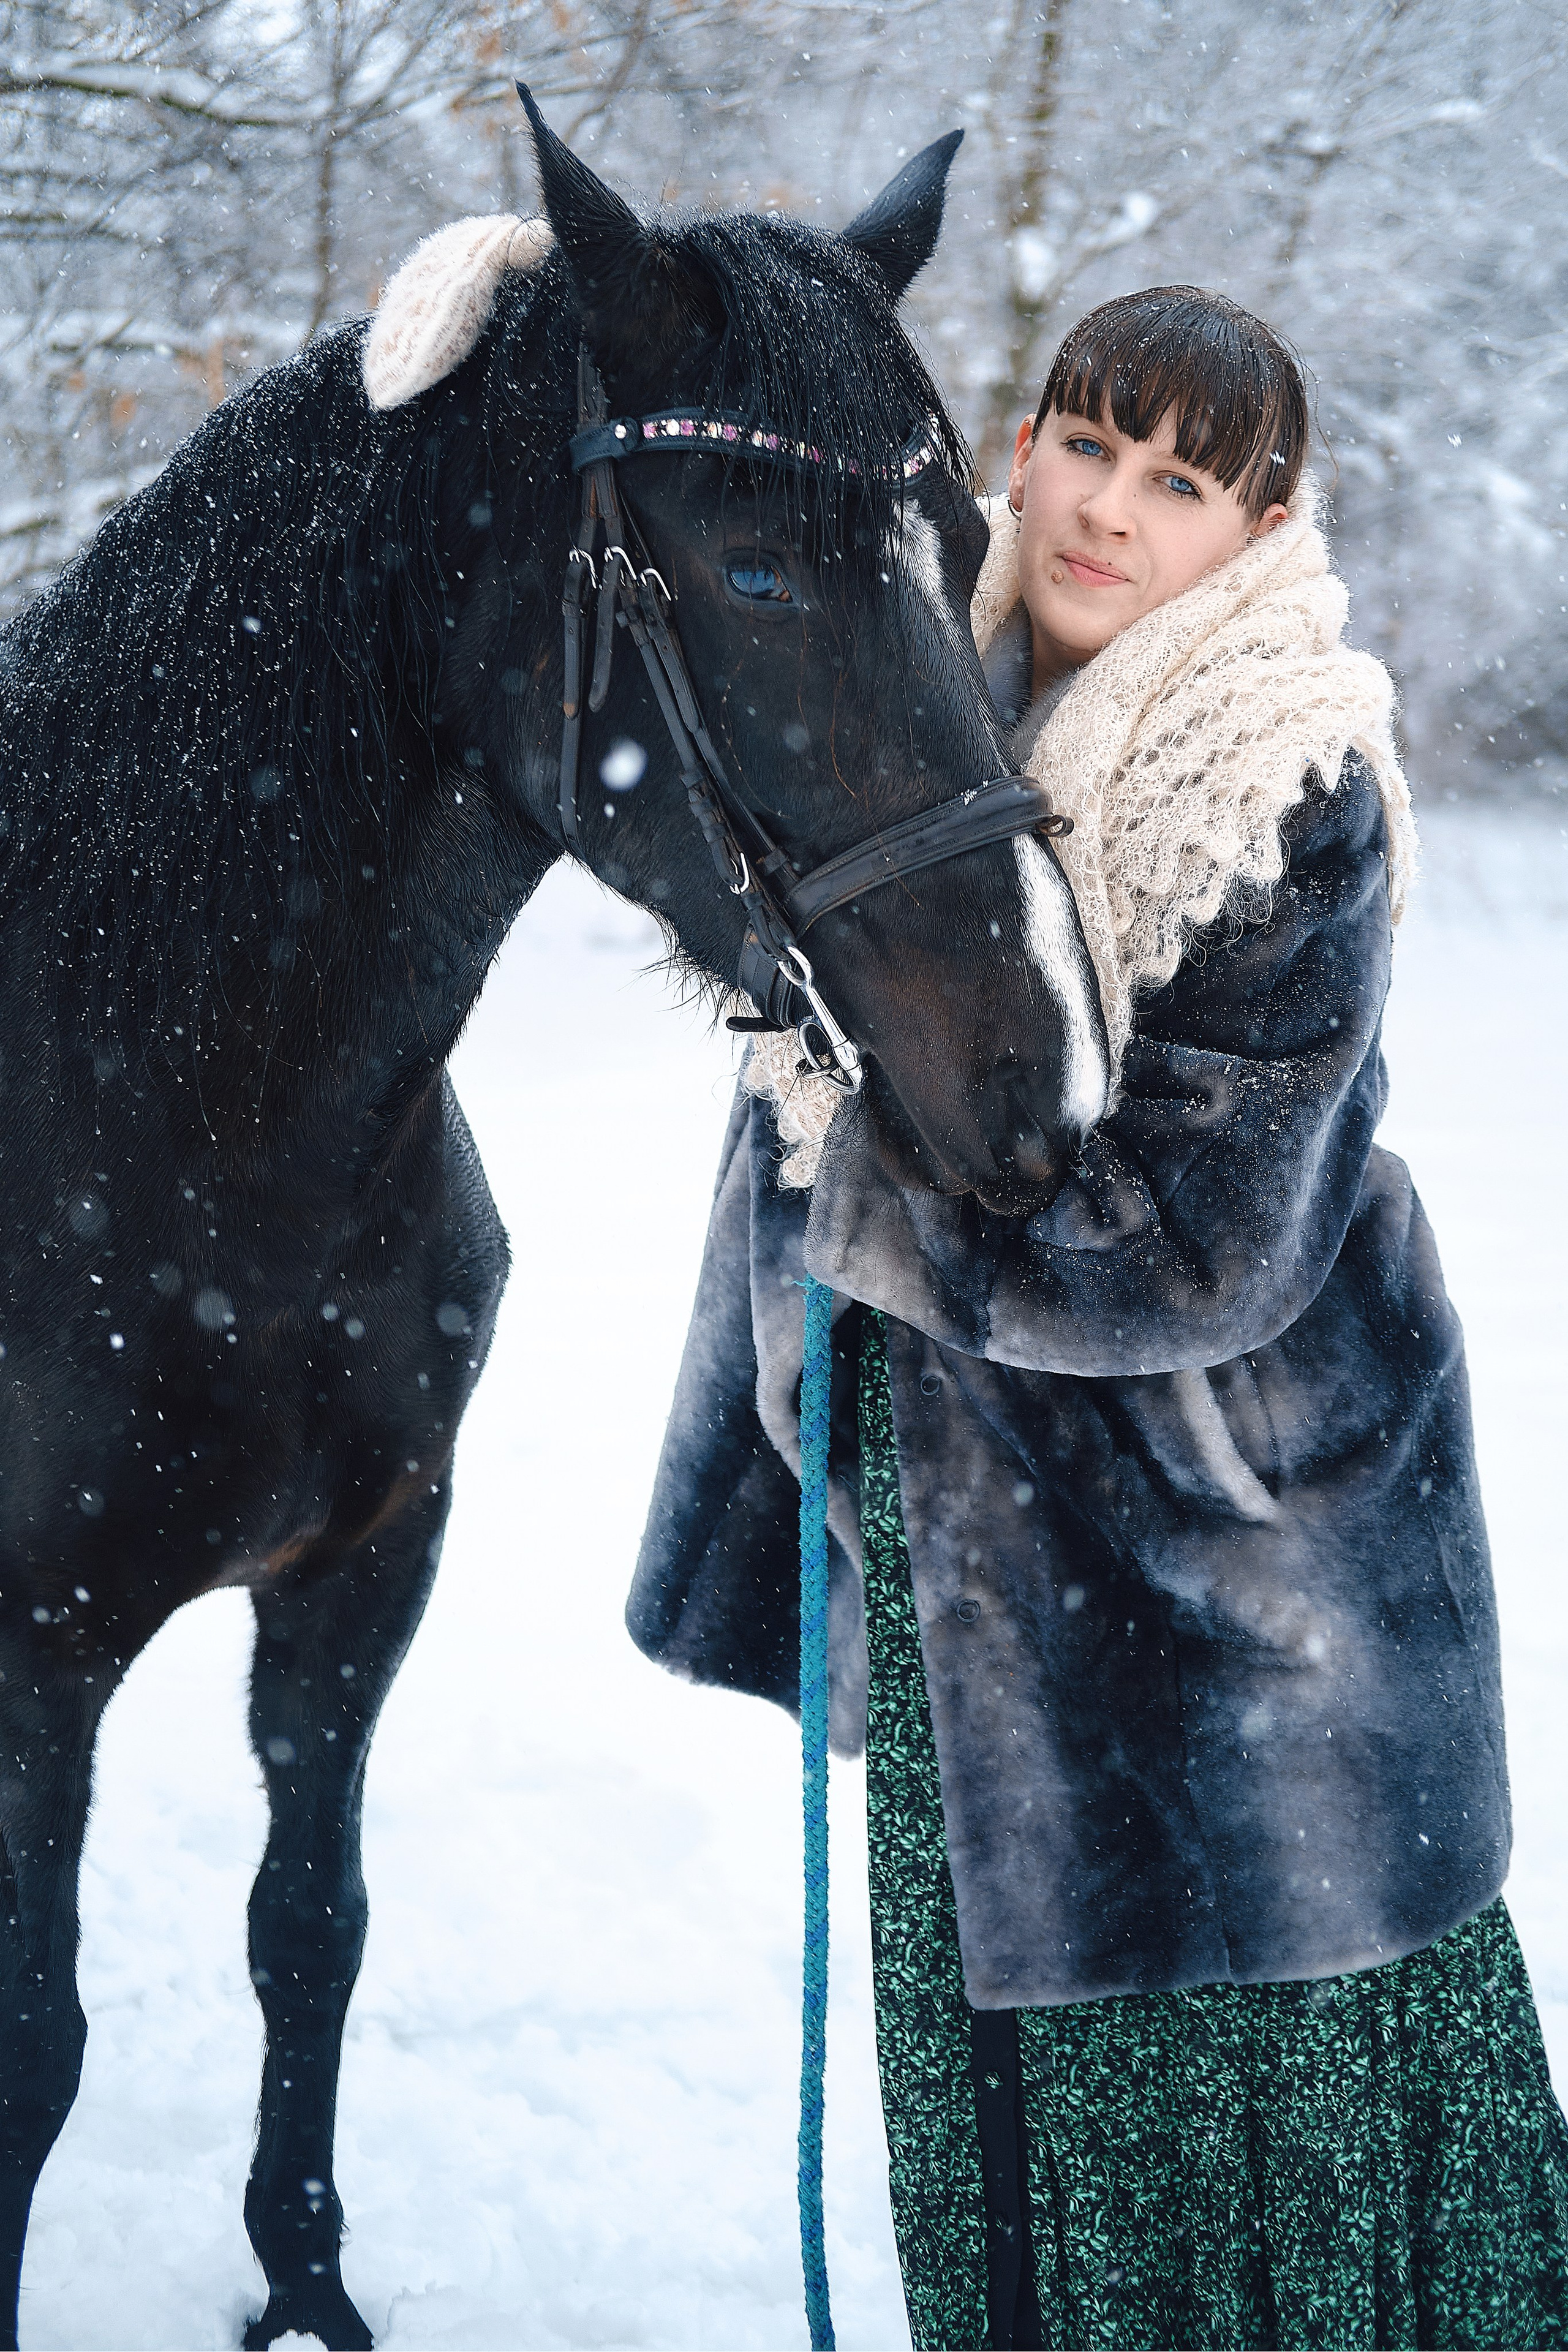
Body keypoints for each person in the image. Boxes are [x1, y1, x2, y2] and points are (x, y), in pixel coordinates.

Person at [628, 285, 1568, 2351]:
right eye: (1085, 438)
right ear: (1022, 440)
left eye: (1182, 481)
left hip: (1230, 1595)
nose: (1110, 511)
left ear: (1257, 529)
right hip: (966, 1577)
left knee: (1243, 2153)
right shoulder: (907, 678)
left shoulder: (1278, 773)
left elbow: (1196, 1244)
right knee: (1011, 2156)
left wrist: (859, 1181)